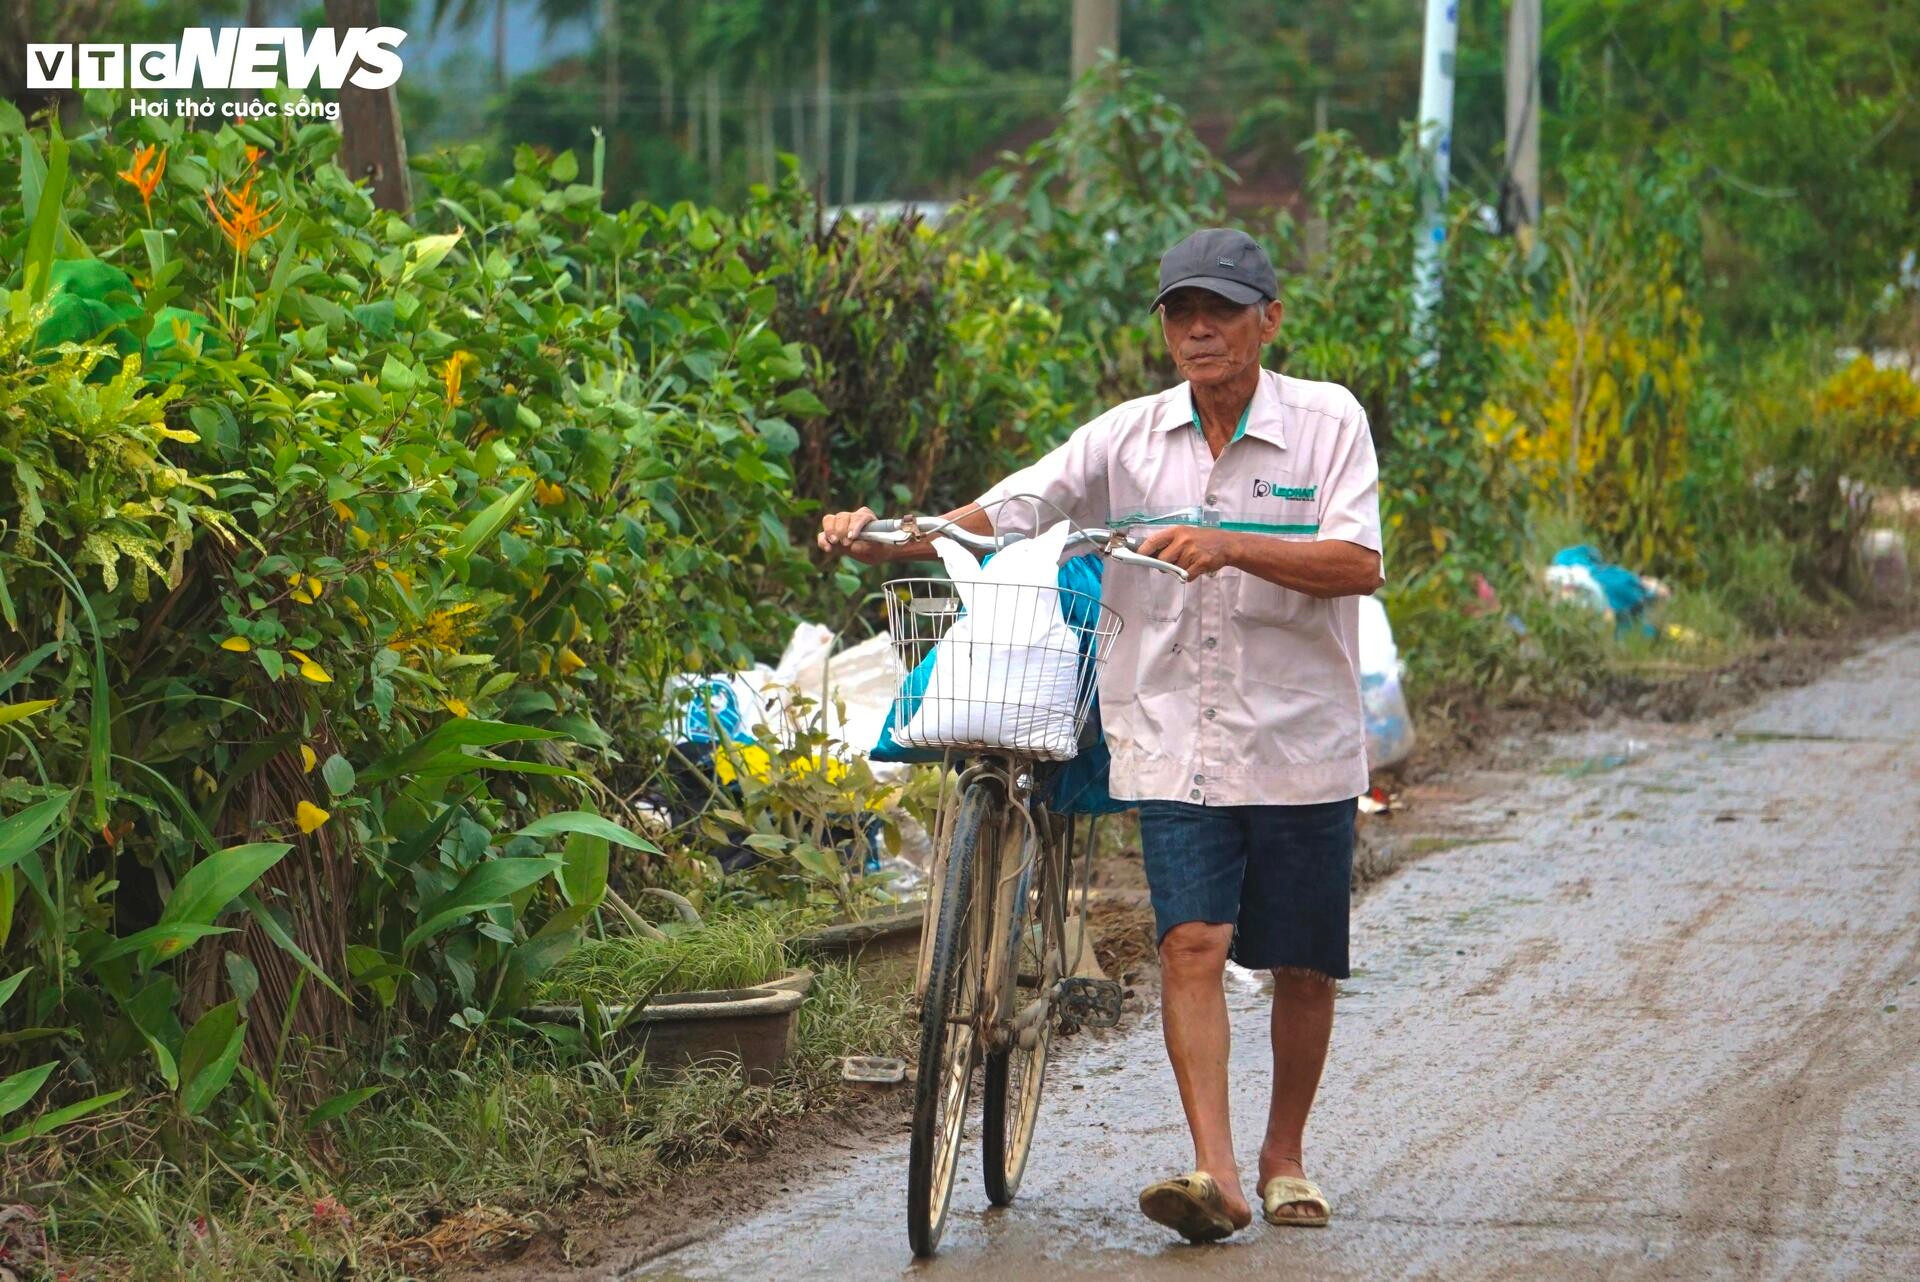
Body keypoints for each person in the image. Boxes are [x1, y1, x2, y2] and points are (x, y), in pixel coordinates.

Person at [817, 227, 1383, 1242]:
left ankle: (1284, 1153)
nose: (1199, 328)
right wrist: (901, 535)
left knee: (1301, 961)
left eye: (1220, 308)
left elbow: (1358, 561)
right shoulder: (1126, 436)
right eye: (1180, 311)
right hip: (1171, 732)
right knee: (1190, 940)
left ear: (1270, 319)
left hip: (1301, 737)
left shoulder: (1326, 422)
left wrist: (1229, 545)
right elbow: (1021, 502)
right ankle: (1216, 1171)